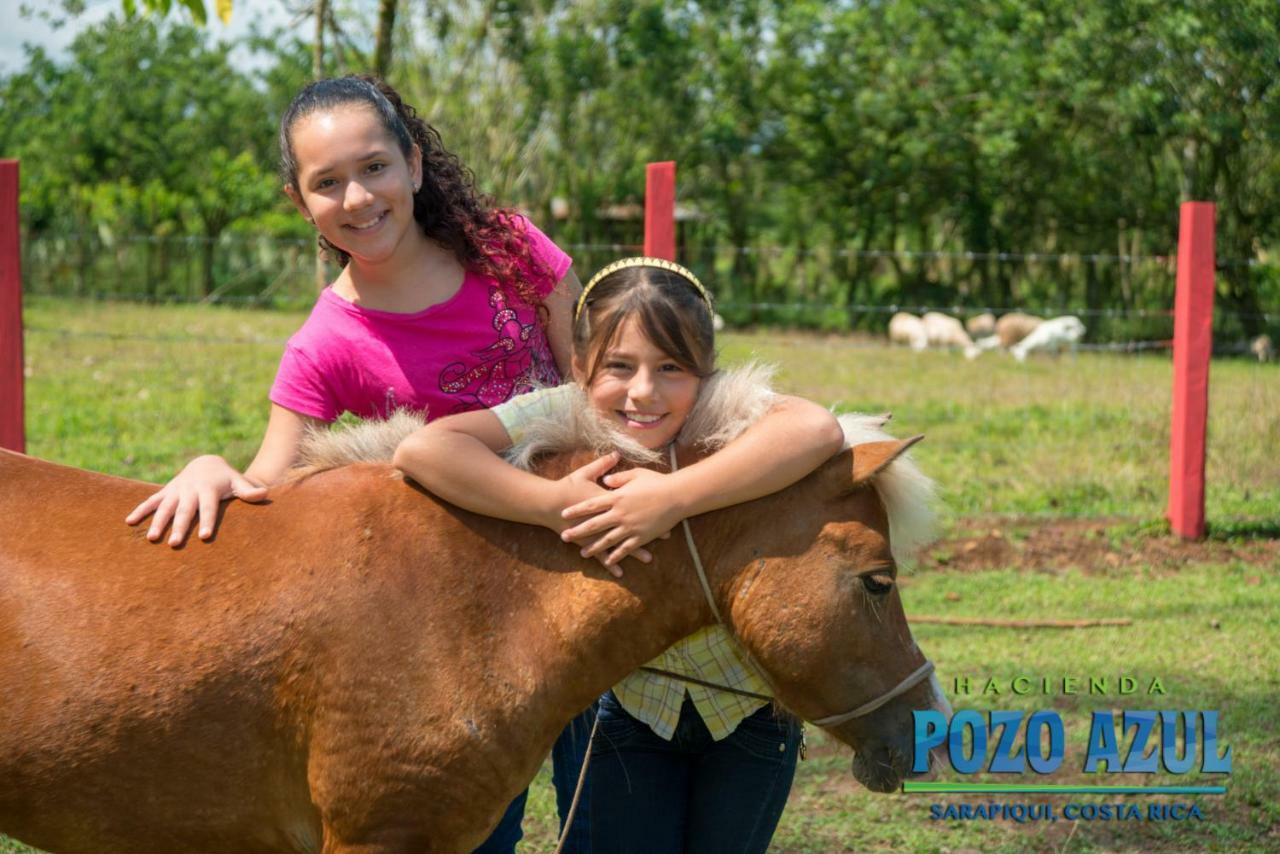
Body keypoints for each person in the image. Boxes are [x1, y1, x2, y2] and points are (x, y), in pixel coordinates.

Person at [124, 75, 593, 852]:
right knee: (482, 827)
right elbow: (270, 476)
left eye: (374, 167)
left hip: (587, 550)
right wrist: (210, 464)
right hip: (465, 616)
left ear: (412, 164)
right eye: (326, 183)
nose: (357, 198)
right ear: (298, 202)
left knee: (606, 804)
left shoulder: (510, 246)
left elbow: (590, 385)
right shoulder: (325, 343)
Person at [392, 257, 847, 851]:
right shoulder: (567, 409)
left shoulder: (723, 414)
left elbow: (817, 428)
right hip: (624, 713)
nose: (643, 392)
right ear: (580, 366)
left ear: (706, 373)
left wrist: (671, 497)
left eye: (672, 368)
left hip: (751, 716)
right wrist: (551, 504)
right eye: (620, 366)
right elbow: (425, 449)